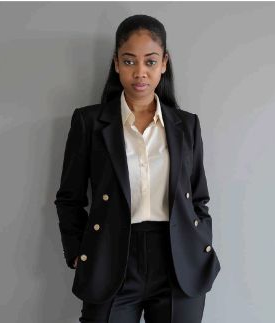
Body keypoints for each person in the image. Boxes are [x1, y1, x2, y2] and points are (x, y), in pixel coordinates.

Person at [54, 14, 221, 323]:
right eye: (130, 62)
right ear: (116, 63)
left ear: (164, 63)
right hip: (111, 256)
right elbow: (69, 198)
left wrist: (198, 243)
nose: (140, 72)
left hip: (177, 261)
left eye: (150, 61)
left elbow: (199, 198)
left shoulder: (186, 125)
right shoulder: (89, 123)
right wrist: (78, 252)